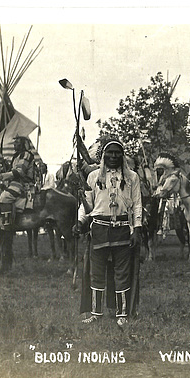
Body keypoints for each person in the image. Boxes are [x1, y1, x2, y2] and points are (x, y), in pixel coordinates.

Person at [75, 138, 143, 327]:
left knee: (122, 273)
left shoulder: (132, 178)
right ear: (104, 155)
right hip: (99, 229)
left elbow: (137, 204)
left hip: (122, 229)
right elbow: (86, 205)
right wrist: (80, 222)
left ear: (122, 155)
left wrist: (136, 229)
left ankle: (122, 314)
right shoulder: (94, 177)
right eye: (110, 153)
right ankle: (96, 313)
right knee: (97, 273)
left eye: (117, 153)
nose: (113, 156)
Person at [0, 136, 36, 229]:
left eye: (17, 143)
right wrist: (4, 163)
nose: (14, 145)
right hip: (14, 182)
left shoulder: (26, 155)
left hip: (23, 183)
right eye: (14, 143)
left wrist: (1, 176)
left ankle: (7, 224)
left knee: (4, 197)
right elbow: (11, 170)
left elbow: (19, 172)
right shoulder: (17, 156)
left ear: (23, 145)